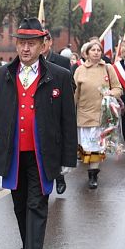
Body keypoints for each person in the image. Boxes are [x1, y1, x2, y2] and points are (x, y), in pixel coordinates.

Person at [0, 17, 77, 249]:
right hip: (14, 153)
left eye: (31, 44)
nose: (26, 49)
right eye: (22, 43)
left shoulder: (60, 76)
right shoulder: (2, 75)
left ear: (43, 45)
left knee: (36, 204)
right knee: (19, 206)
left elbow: (68, 120)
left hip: (43, 155)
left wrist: (68, 157)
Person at [73, 41, 122, 189]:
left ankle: (93, 175)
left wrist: (111, 93)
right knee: (86, 146)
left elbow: (118, 88)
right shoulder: (80, 70)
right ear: (86, 54)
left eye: (98, 50)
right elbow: (74, 94)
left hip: (103, 115)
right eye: (92, 50)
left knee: (96, 147)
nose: (96, 52)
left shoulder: (108, 68)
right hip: (84, 114)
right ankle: (90, 170)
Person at [42, 32, 75, 195]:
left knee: (57, 144)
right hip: (39, 111)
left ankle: (59, 178)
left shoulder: (62, 61)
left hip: (57, 108)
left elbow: (71, 85)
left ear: (49, 42)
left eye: (44, 41)